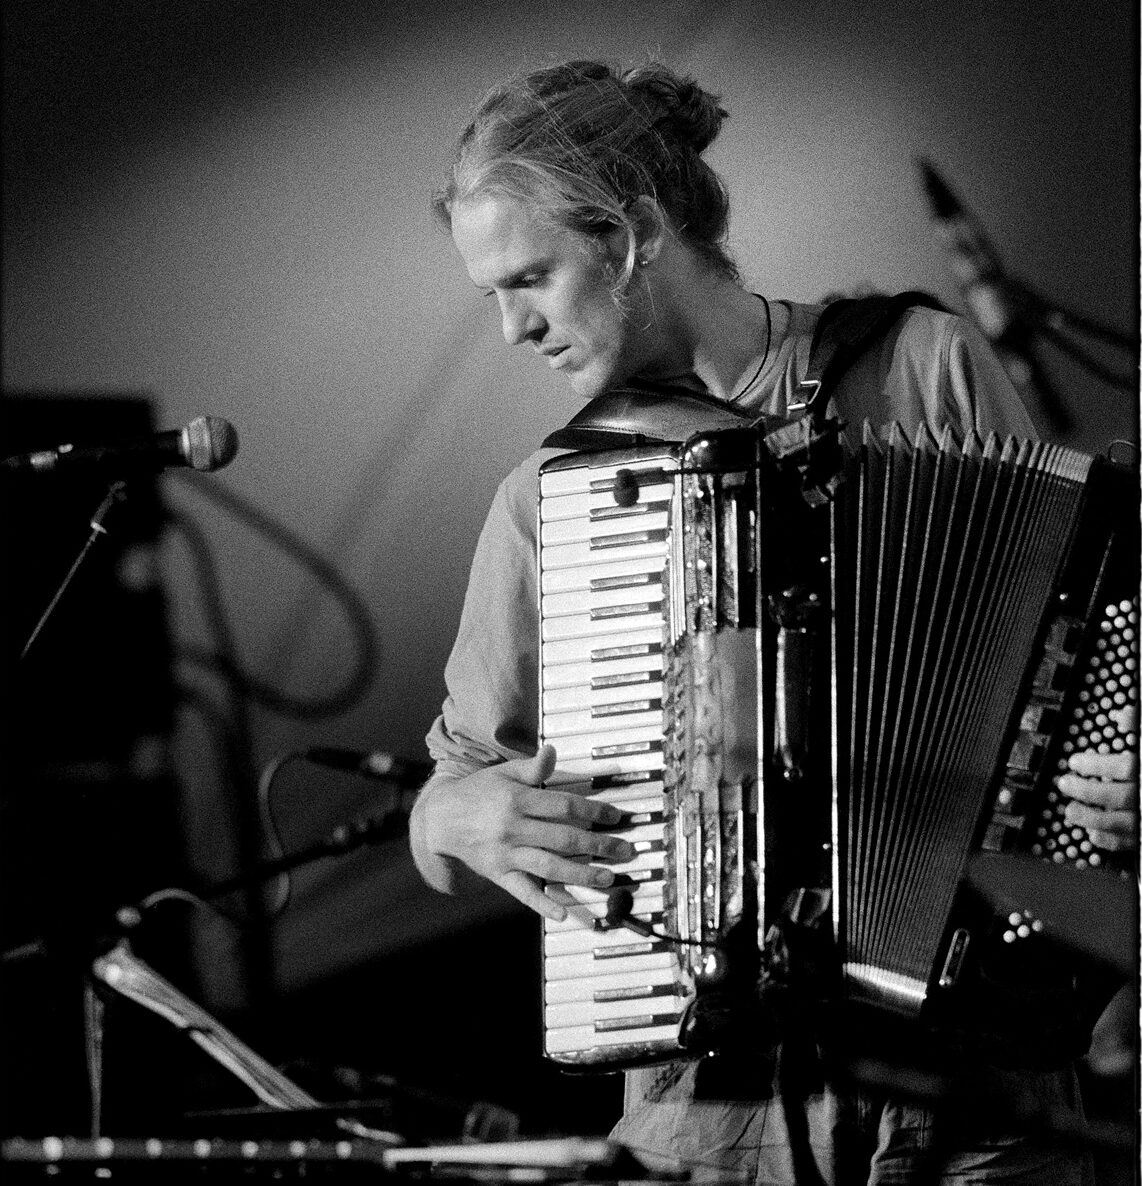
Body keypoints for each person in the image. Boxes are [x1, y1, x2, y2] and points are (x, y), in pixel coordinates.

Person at [410, 58, 1138, 1184]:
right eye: (491, 294)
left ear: (634, 233)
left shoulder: (917, 361)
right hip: (708, 1111)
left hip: (974, 1085)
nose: (509, 328)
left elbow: (1072, 649)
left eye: (530, 278)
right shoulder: (549, 502)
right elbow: (444, 801)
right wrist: (459, 822)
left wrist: (1115, 783)